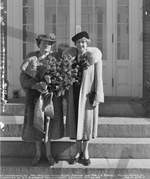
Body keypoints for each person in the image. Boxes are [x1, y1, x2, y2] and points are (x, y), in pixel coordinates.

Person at [20, 33, 64, 166]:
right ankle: (38, 154)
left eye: (49, 44)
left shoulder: (55, 58)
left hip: (50, 98)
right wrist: (35, 85)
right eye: (44, 43)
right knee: (37, 125)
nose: (46, 46)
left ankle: (49, 154)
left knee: (49, 125)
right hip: (34, 97)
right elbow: (23, 78)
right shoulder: (31, 58)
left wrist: (54, 86)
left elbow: (62, 77)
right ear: (39, 44)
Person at [64, 31, 104, 166]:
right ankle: (77, 151)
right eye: (79, 42)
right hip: (74, 94)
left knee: (87, 125)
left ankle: (85, 152)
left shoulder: (93, 58)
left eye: (84, 42)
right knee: (75, 123)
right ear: (75, 44)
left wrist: (98, 95)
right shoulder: (71, 58)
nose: (82, 45)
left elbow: (99, 77)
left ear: (87, 43)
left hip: (88, 96)